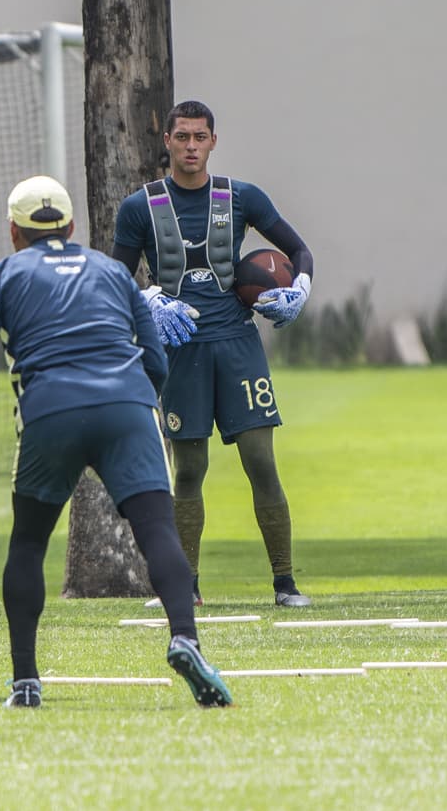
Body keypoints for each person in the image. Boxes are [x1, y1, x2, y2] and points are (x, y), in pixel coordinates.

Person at [0, 175, 233, 709]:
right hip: (129, 406)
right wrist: (138, 406)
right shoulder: (112, 270)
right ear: (71, 227)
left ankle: (25, 681)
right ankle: (185, 638)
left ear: (13, 231)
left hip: (52, 412)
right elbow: (156, 358)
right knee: (158, 531)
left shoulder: (3, 274)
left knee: (28, 542)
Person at [113, 100, 315, 609]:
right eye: (181, 137)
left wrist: (300, 290)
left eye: (199, 137)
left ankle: (285, 584)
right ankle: (186, 588)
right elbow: (115, 278)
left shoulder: (241, 197)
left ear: (213, 141)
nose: (190, 147)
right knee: (187, 470)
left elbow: (299, 250)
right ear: (167, 141)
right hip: (180, 348)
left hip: (237, 344)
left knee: (261, 463)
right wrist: (149, 296)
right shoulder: (140, 207)